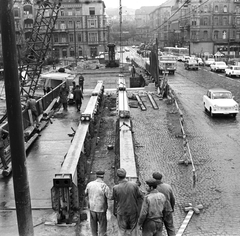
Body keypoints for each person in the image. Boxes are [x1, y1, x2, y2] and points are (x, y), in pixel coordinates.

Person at [111, 168, 143, 236]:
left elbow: (113, 197)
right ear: (125, 175)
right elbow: (140, 195)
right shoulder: (134, 185)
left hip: (121, 212)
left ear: (117, 176)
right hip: (133, 211)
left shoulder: (116, 188)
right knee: (134, 230)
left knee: (121, 230)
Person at [85, 170, 111, 236]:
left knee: (93, 227)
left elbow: (85, 193)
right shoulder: (104, 186)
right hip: (101, 209)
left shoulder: (90, 184)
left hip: (92, 208)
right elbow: (110, 196)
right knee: (102, 227)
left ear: (96, 176)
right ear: (103, 177)